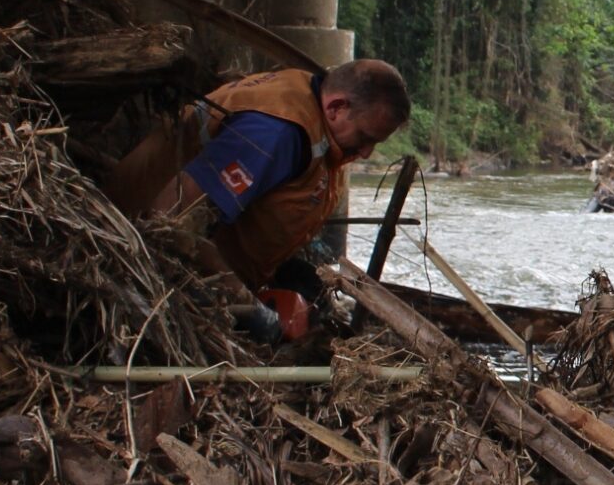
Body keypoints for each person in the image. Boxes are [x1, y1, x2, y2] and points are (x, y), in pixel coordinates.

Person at [104, 59, 411, 342]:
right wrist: (251, 308)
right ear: (336, 108)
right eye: (365, 137)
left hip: (212, 257)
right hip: (134, 260)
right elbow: (167, 221)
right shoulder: (275, 135)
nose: (367, 152)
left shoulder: (309, 103)